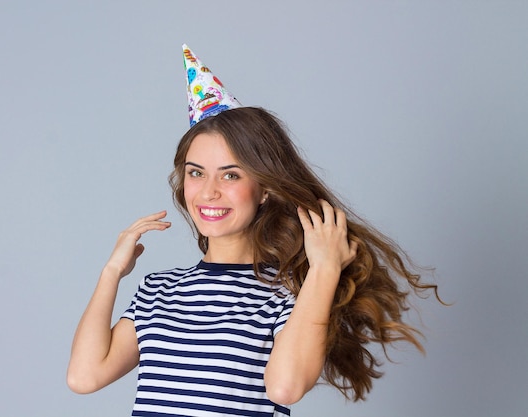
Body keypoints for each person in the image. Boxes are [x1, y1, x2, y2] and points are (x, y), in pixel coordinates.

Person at [67, 45, 441, 416]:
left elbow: (286, 387)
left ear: (264, 189)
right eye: (196, 172)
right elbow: (85, 377)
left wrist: (325, 269)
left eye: (230, 175)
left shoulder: (288, 294)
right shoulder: (158, 291)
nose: (209, 191)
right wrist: (112, 272)